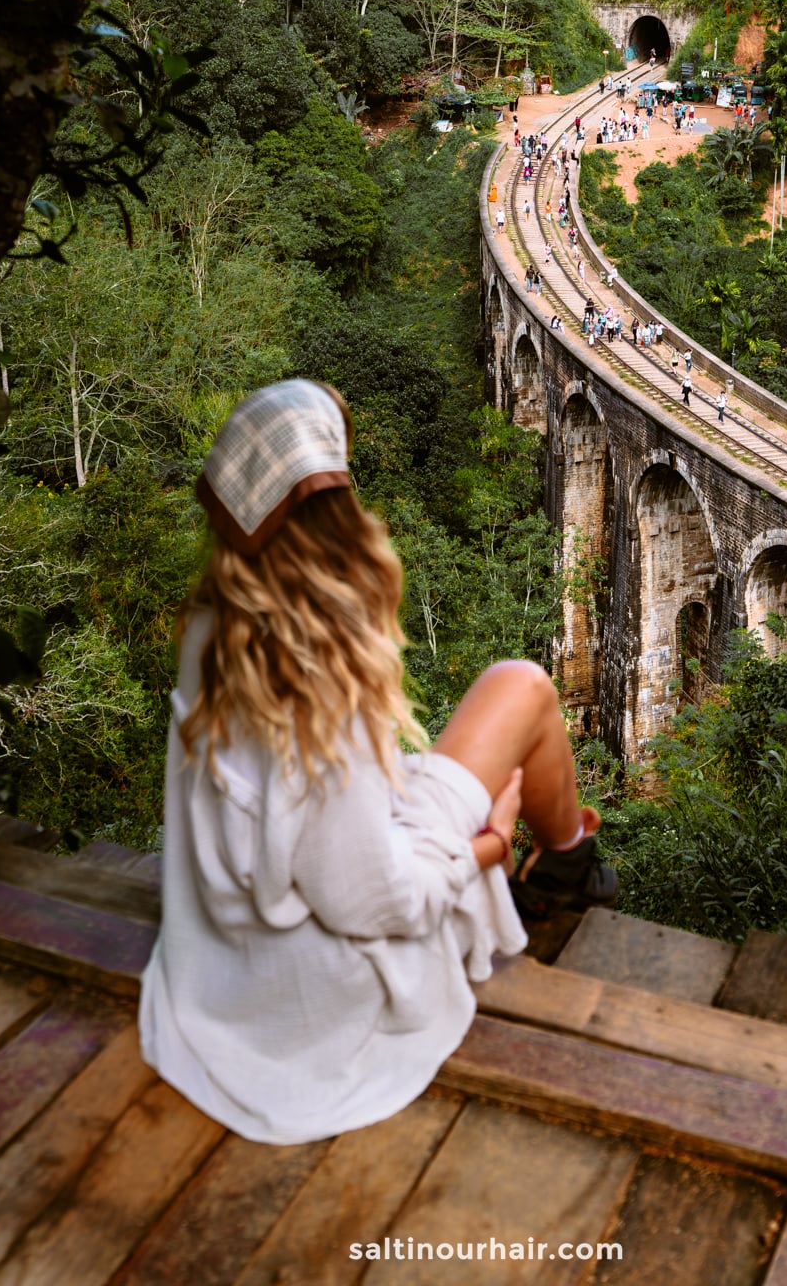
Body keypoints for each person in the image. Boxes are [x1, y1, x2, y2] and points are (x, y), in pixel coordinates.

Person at [140, 381, 617, 1147]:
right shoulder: (319, 671)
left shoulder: (212, 626)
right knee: (525, 687)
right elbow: (374, 901)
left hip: (225, 965)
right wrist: (491, 843)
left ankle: (568, 864)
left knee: (510, 694)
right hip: (313, 996)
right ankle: (565, 865)